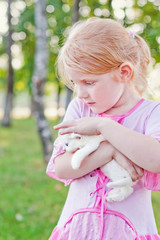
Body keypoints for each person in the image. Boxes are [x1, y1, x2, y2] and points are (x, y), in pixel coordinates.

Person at [46, 17, 160, 240]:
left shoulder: (151, 113)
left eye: (89, 82)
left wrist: (103, 125)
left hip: (128, 232)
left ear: (124, 72)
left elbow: (156, 159)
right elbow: (62, 167)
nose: (80, 93)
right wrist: (109, 150)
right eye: (75, 83)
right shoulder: (80, 109)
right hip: (77, 229)